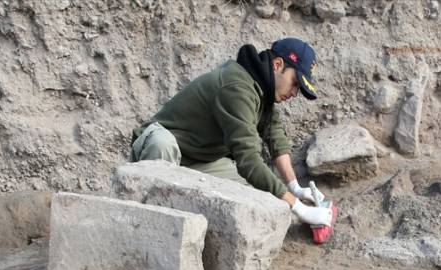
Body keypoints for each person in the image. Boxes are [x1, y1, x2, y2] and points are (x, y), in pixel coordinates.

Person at [128, 38, 333, 227]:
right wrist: (299, 207)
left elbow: (275, 136)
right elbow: (248, 159)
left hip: (198, 159)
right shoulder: (236, 87)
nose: (295, 92)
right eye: (295, 82)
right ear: (277, 65)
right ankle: (146, 227)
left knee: (256, 192)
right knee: (162, 144)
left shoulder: (262, 91)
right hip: (162, 147)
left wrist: (294, 186)